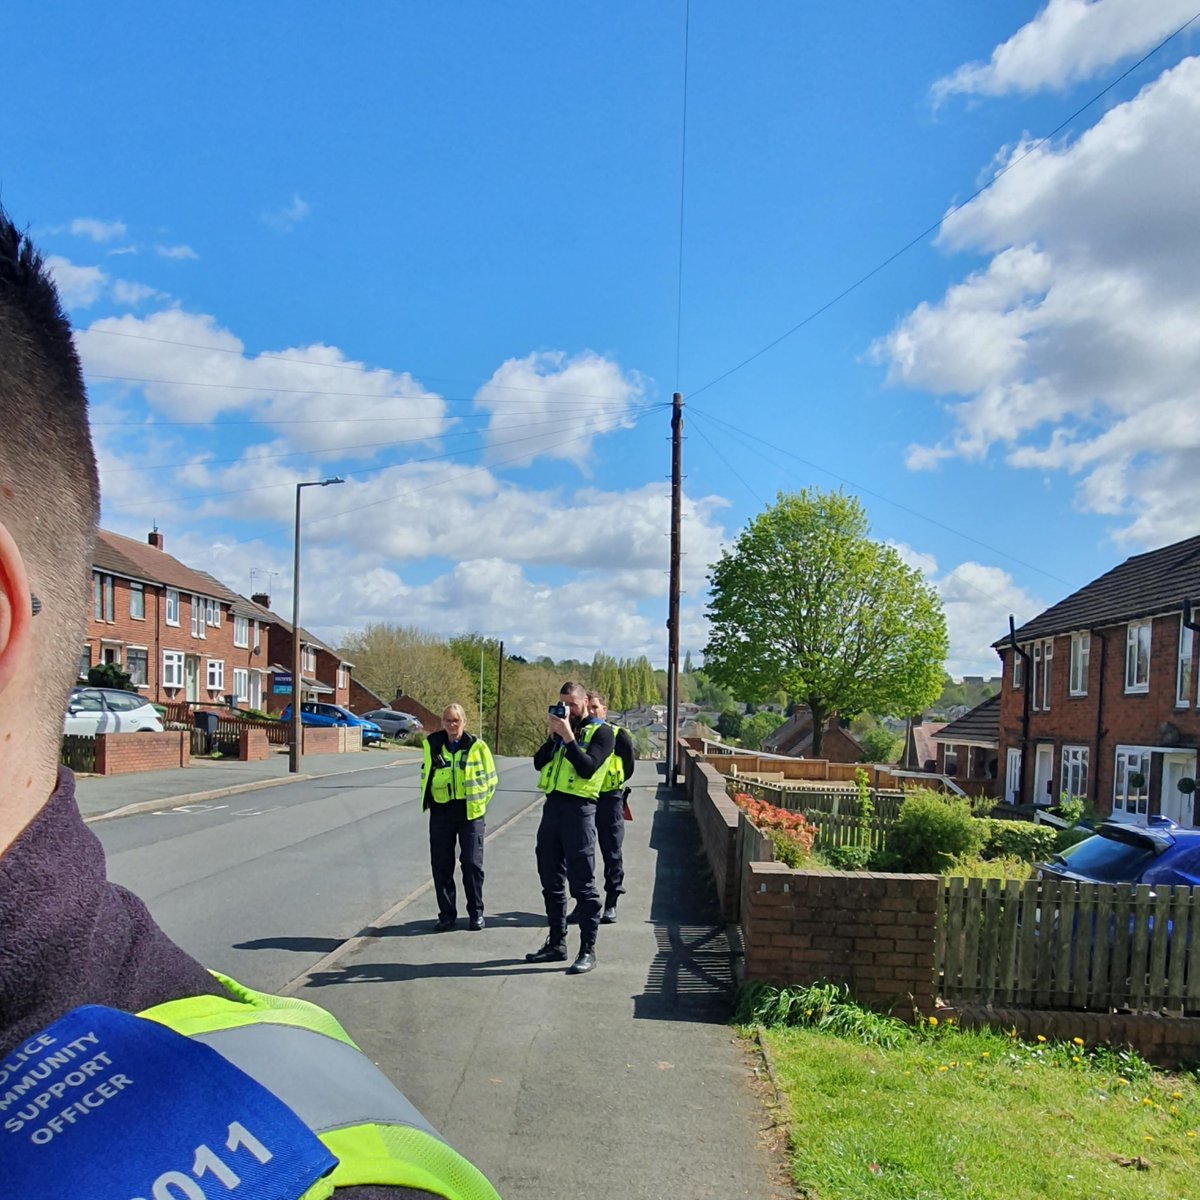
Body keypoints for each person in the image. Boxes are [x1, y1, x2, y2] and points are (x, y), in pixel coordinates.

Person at [0, 207, 501, 1199]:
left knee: (463, 882)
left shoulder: (316, 1160)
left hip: (483, 823)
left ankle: (461, 912)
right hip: (446, 817)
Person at [525, 682, 615, 975]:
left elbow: (588, 767)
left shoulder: (602, 733)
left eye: (572, 705)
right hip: (552, 810)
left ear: (586, 703)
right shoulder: (562, 733)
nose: (567, 710)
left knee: (584, 885)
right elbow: (539, 763)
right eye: (562, 704)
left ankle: (587, 950)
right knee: (550, 881)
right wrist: (555, 738)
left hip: (580, 813)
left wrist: (568, 738)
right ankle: (556, 943)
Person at [420, 703, 497, 932]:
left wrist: (479, 804)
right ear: (443, 722)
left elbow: (491, 779)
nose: (452, 725)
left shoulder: (477, 746)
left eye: (456, 720)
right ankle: (446, 915)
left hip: (470, 812)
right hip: (442, 811)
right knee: (441, 865)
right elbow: (427, 775)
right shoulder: (433, 745)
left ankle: (476, 913)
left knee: (472, 864)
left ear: (464, 722)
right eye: (447, 720)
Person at [580, 691, 634, 924]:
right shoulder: (579, 734)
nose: (591, 712)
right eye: (588, 707)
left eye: (595, 707)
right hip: (585, 797)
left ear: (604, 709)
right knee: (582, 852)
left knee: (611, 851)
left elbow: (629, 766)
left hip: (611, 798)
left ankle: (611, 901)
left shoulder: (617, 735)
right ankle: (585, 902)